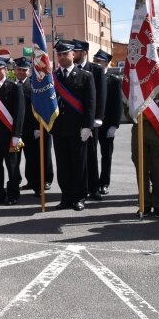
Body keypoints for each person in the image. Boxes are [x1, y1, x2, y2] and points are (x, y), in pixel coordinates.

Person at [50, 41, 95, 211]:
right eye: (59, 54)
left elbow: (91, 103)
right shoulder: (52, 77)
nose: (61, 57)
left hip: (78, 129)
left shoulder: (85, 76)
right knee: (63, 165)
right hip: (59, 128)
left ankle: (79, 197)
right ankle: (66, 197)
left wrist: (87, 126)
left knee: (79, 164)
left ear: (72, 54)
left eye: (65, 54)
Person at [130, 72, 159, 219]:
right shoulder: (135, 87)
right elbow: (127, 109)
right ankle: (144, 204)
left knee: (158, 170)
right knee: (141, 170)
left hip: (157, 132)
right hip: (139, 129)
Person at [0, 58, 25, 205]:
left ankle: (13, 194)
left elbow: (19, 113)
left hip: (9, 134)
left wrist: (17, 135)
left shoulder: (14, 87)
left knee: (12, 166)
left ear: (6, 70)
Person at [72, 39, 107, 201]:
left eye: (76, 51)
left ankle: (94, 188)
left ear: (84, 53)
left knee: (91, 155)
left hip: (91, 120)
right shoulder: (71, 69)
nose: (73, 54)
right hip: (75, 120)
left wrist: (98, 117)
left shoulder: (96, 70)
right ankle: (80, 188)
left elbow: (100, 96)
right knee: (77, 156)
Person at [14, 57, 53, 196]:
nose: (21, 72)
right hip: (16, 130)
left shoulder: (35, 86)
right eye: (19, 69)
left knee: (33, 158)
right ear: (14, 70)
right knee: (15, 160)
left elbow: (40, 107)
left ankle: (37, 186)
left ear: (29, 71)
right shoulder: (12, 85)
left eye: (24, 70)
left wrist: (38, 127)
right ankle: (25, 182)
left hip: (31, 128)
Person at [93, 50, 122, 195]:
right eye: (95, 60)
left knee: (106, 155)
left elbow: (118, 105)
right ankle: (92, 184)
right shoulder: (89, 78)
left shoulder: (114, 80)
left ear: (106, 63)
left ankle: (104, 183)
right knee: (91, 156)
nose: (97, 63)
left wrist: (114, 125)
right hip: (92, 124)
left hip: (107, 124)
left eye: (100, 61)